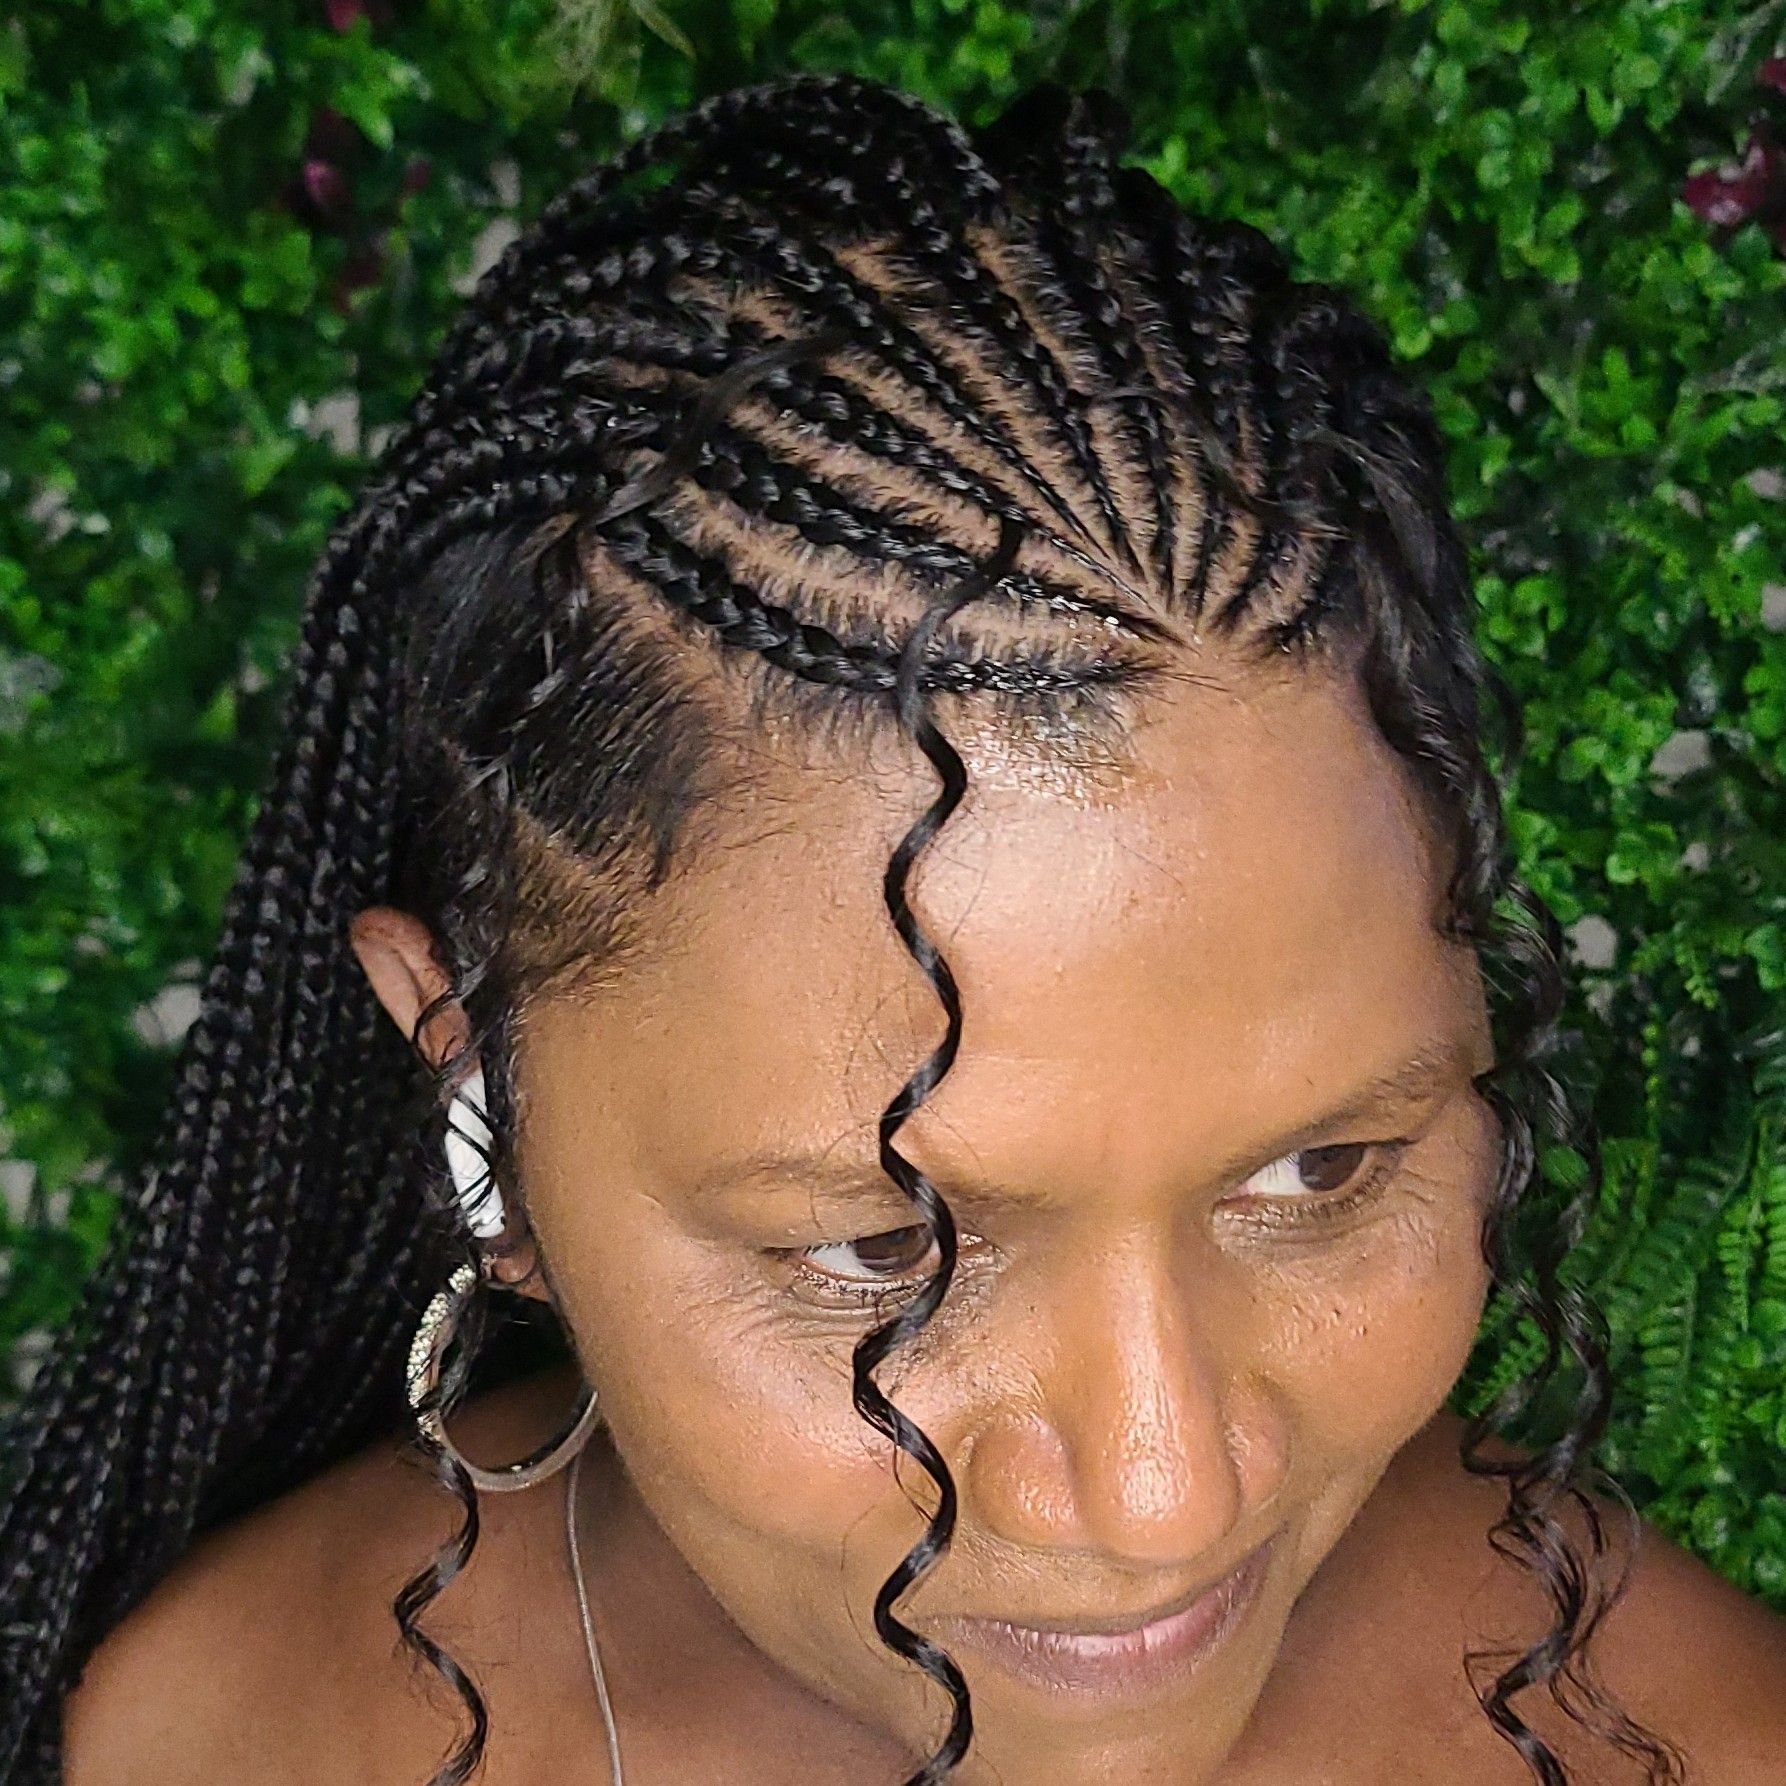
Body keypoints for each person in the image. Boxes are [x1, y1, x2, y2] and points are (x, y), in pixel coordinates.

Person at [6, 73, 1783, 1786]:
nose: (1163, 1492)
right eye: (883, 1253)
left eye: (1321, 1168)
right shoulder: (211, 1741)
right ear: (484, 1094)